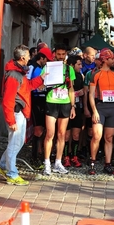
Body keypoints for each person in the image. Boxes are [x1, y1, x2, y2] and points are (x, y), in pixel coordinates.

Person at [0, 44, 45, 185]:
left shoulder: (17, 72)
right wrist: (11, 121)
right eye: (28, 55)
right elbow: (8, 101)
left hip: (18, 112)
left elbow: (26, 86)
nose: (30, 57)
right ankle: (11, 174)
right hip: (16, 113)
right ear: (22, 58)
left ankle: (4, 166)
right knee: (15, 143)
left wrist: (41, 78)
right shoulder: (15, 74)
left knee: (15, 143)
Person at [42, 43, 76, 175]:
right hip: (51, 101)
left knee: (62, 134)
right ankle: (46, 163)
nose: (61, 57)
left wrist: (72, 106)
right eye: (58, 54)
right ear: (54, 54)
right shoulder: (48, 67)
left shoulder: (69, 69)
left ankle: (58, 162)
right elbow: (41, 82)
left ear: (66, 54)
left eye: (63, 54)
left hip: (65, 102)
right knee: (50, 134)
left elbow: (71, 88)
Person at [88, 48, 114, 175]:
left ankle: (107, 164)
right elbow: (91, 94)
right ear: (104, 60)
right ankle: (92, 162)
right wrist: (94, 111)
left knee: (109, 137)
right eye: (111, 58)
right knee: (97, 136)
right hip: (100, 107)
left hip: (112, 108)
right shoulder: (96, 74)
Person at [27, 47, 54, 167]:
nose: (48, 62)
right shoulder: (32, 67)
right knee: (37, 130)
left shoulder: (42, 68)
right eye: (46, 59)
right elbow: (27, 85)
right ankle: (34, 158)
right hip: (35, 100)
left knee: (42, 129)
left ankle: (40, 154)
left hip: (43, 99)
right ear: (41, 58)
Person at [62, 55, 84, 168]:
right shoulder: (65, 75)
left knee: (76, 134)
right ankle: (65, 156)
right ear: (71, 65)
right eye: (79, 64)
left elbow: (83, 91)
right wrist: (76, 93)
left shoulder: (80, 75)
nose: (81, 66)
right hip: (66, 107)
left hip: (78, 107)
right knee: (66, 134)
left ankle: (74, 156)